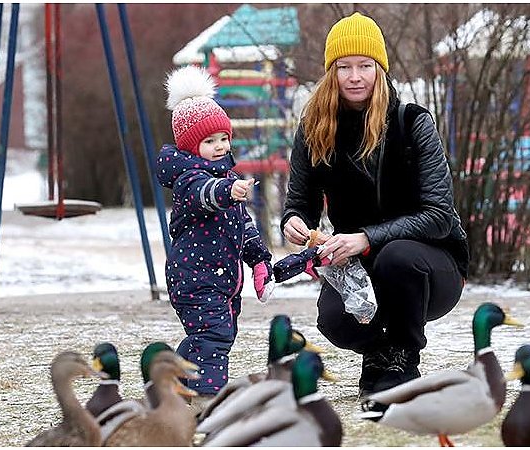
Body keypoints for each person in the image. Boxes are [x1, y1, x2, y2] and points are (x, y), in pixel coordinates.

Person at [281, 12, 470, 398]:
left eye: (365, 66)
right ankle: (380, 355)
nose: (355, 76)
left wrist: (366, 238)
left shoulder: (412, 123)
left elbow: (438, 216)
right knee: (332, 319)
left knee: (396, 256)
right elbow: (300, 200)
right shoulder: (315, 128)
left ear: (379, 69)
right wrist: (294, 220)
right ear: (331, 73)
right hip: (359, 266)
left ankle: (404, 355)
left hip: (431, 268)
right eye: (344, 67)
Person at [157, 65, 274, 404]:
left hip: (222, 278)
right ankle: (206, 398)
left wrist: (259, 259)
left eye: (224, 138)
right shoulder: (188, 179)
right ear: (192, 147)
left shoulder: (226, 175)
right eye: (210, 141)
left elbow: (242, 226)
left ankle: (173, 385)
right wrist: (227, 191)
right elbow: (205, 194)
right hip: (194, 277)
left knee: (212, 337)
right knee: (214, 334)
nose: (220, 146)